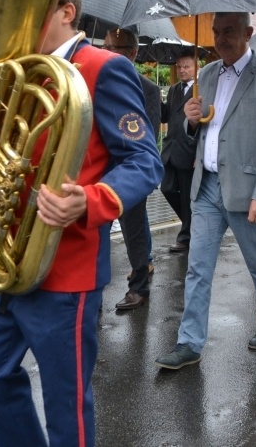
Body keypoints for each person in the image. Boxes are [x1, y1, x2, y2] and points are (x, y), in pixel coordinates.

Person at [0, 0, 162, 445]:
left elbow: (145, 160)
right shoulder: (12, 67)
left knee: (67, 403)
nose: (11, 22)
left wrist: (92, 199)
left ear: (67, 13)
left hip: (65, 264)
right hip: (1, 256)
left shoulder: (103, 67)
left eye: (29, 9)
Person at [154, 12, 256, 370]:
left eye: (228, 31)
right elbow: (195, 132)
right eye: (216, 31)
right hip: (207, 186)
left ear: (248, 33)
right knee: (197, 267)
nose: (220, 38)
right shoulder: (207, 75)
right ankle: (189, 341)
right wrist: (190, 119)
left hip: (247, 189)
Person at [102, 28, 162, 310]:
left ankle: (139, 286)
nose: (111, 53)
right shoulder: (91, 81)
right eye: (107, 46)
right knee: (94, 236)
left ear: (134, 53)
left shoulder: (147, 88)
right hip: (96, 171)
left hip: (128, 172)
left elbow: (146, 136)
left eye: (119, 48)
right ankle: (92, 294)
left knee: (134, 232)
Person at [160, 51, 198, 253]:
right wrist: (155, 99)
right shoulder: (174, 89)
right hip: (170, 150)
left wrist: (199, 155)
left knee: (187, 196)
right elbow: (166, 116)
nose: (182, 70)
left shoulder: (200, 90)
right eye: (179, 66)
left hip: (189, 151)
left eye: (186, 66)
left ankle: (186, 237)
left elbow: (203, 125)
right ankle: (191, 224)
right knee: (166, 188)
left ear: (195, 68)